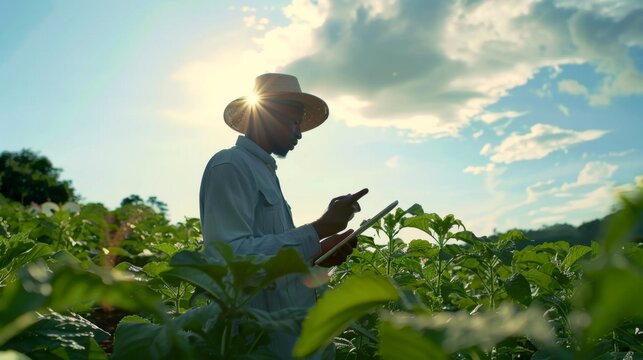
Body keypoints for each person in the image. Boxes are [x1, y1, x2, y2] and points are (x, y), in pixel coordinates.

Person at [199, 73, 368, 358]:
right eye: (294, 121)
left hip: (286, 342)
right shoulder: (229, 165)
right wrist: (319, 229)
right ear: (266, 116)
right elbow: (228, 258)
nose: (299, 133)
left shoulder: (263, 171)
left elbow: (270, 260)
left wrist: (318, 256)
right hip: (257, 343)